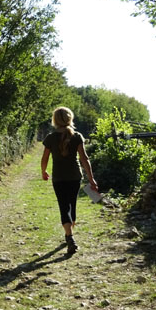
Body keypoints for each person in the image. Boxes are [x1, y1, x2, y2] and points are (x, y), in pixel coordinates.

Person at [40, 106, 99, 254]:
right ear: (69, 118)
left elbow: (45, 158)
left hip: (59, 178)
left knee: (63, 206)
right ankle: (69, 234)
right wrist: (91, 179)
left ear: (55, 120)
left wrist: (44, 171)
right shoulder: (77, 136)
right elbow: (84, 159)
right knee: (72, 205)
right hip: (75, 177)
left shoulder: (50, 137)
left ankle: (69, 236)